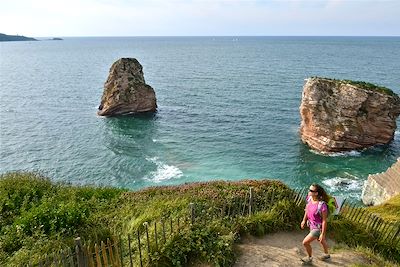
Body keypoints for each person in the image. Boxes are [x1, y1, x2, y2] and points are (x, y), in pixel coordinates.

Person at [300, 183, 331, 264]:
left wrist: (322, 234)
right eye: (309, 189)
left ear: (316, 193)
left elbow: (324, 220)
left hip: (317, 228)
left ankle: (309, 258)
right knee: (321, 241)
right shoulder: (309, 198)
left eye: (311, 190)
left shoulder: (322, 205)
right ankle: (327, 254)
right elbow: (307, 209)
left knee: (305, 242)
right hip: (311, 225)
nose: (309, 191)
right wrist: (304, 220)